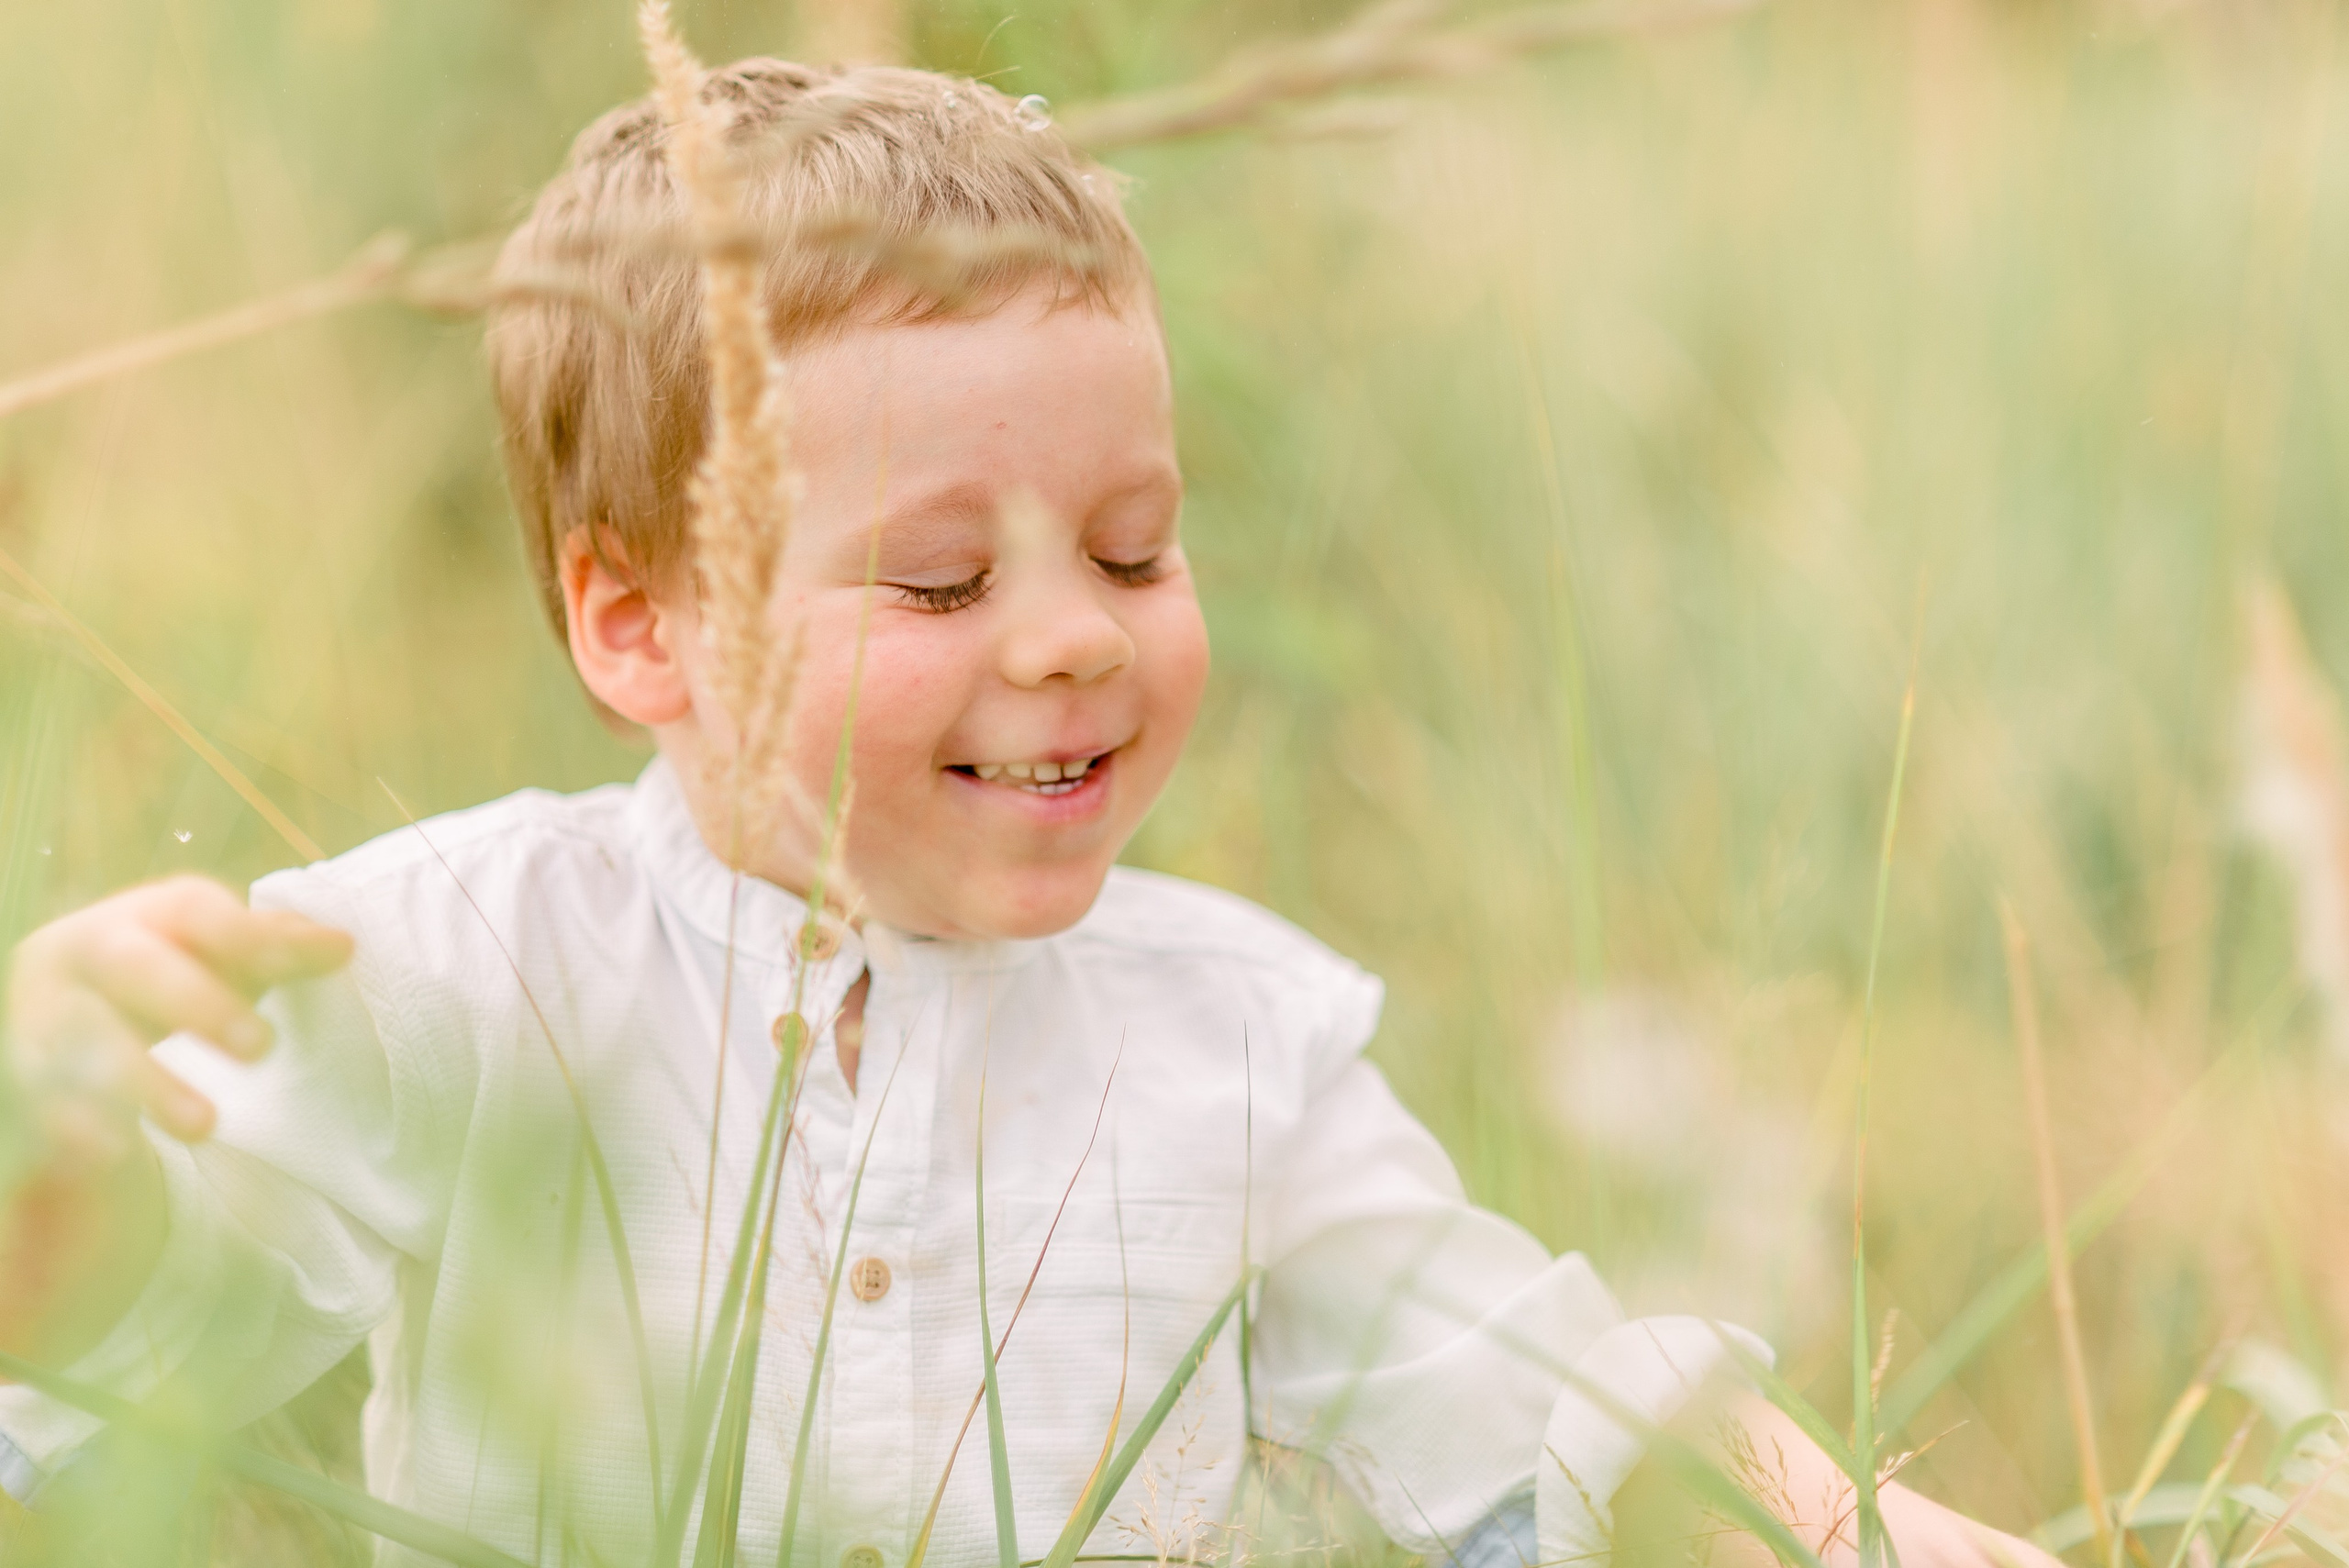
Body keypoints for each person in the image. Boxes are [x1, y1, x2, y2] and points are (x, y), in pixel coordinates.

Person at [0, 58, 2054, 1568]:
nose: (1075, 640)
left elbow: (1517, 1393)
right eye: (940, 581)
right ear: (639, 623)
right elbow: (138, 1345)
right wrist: (60, 1149)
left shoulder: (1232, 1042)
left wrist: (1847, 1521)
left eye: (1136, 550)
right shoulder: (453, 969)